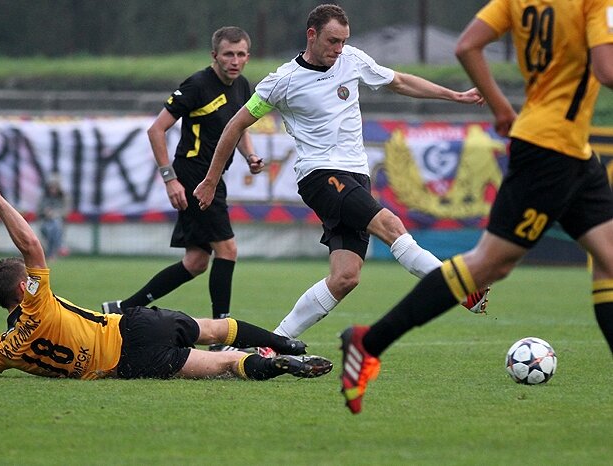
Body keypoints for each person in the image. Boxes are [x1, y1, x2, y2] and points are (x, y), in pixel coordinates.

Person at [338, 0, 613, 414]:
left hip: (571, 150)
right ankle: (368, 343)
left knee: (610, 259)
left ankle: (368, 343)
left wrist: (501, 106)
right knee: (489, 264)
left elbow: (467, 46)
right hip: (551, 153)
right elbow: (606, 70)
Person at [193, 4, 490, 353]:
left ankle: (271, 344)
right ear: (312, 35)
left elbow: (399, 81)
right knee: (391, 226)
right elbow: (235, 125)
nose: (339, 49)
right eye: (332, 41)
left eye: (344, 41)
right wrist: (210, 180)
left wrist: (453, 95)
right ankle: (459, 287)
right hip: (320, 175)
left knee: (345, 277)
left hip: (356, 176)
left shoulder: (352, 60)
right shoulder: (282, 81)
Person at [0, 167, 332, 381]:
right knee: (215, 329)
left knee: (224, 364)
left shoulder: (7, 349)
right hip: (133, 325)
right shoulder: (36, 305)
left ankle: (278, 365)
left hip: (129, 363)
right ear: (24, 287)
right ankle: (287, 344)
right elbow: (31, 245)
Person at [102, 27, 265, 349]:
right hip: (195, 178)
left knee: (196, 261)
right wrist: (170, 179)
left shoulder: (243, 85)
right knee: (228, 250)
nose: (235, 61)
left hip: (213, 177)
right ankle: (221, 336)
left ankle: (123, 309)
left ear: (248, 56)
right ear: (214, 55)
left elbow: (239, 127)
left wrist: (251, 156)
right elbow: (156, 130)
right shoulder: (197, 85)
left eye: (241, 54)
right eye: (228, 54)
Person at [38, 172, 69, 260]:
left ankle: (51, 253)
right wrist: (46, 212)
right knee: (52, 228)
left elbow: (65, 212)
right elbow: (39, 212)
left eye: (55, 187)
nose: (53, 190)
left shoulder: (63, 198)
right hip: (45, 223)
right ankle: (60, 246)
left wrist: (55, 214)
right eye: (51, 187)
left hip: (58, 223)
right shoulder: (44, 198)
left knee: (55, 226)